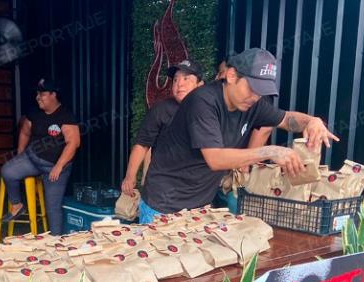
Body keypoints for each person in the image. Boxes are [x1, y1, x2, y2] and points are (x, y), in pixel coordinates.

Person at [140, 48, 339, 224]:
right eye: (252, 88)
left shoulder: (252, 103)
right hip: (164, 203)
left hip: (199, 205)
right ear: (232, 75)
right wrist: (269, 151)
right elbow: (215, 159)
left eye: (262, 92)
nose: (255, 96)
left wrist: (313, 121)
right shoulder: (203, 102)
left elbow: (287, 119)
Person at [1, 79, 81, 235]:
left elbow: (73, 143)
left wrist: (59, 166)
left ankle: (56, 242)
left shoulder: (66, 115)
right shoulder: (34, 113)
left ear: (53, 95)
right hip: (32, 159)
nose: (38, 97)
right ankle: (17, 205)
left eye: (42, 94)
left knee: (53, 207)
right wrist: (20, 154)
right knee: (8, 171)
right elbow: (24, 132)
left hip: (55, 167)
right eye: (37, 94)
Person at [121, 59, 204, 197]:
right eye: (176, 80)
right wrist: (130, 176)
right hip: (161, 190)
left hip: (195, 193)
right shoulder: (161, 109)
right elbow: (142, 144)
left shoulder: (208, 111)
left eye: (186, 79)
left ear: (200, 85)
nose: (180, 84)